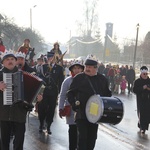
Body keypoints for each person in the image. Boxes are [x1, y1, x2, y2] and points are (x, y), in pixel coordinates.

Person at [67, 54, 112, 150]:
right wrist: (74, 104)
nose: (87, 69)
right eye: (86, 66)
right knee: (82, 139)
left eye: (90, 67)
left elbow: (108, 96)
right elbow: (70, 93)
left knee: (91, 141)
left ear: (96, 68)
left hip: (95, 115)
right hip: (81, 114)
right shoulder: (79, 78)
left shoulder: (102, 79)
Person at [0, 51, 29, 150]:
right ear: (3, 62)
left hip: (19, 113)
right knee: (4, 142)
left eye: (12, 59)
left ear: (16, 62)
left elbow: (33, 92)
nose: (10, 61)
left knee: (19, 142)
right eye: (7, 59)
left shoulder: (24, 75)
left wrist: (38, 98)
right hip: (4, 114)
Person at [59, 60, 84, 150]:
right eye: (75, 68)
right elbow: (62, 95)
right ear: (72, 70)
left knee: (81, 132)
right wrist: (61, 108)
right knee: (72, 130)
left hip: (83, 110)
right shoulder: (67, 81)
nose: (77, 70)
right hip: (71, 108)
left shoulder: (85, 80)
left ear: (82, 69)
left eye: (79, 68)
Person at [37, 51, 64, 134]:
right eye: (48, 58)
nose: (50, 59)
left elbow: (61, 82)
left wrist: (59, 93)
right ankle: (41, 124)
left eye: (51, 58)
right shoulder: (43, 67)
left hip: (53, 92)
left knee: (51, 110)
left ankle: (49, 126)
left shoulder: (59, 68)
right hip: (44, 92)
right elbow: (39, 78)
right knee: (42, 109)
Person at [133, 66, 150, 134]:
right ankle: (142, 127)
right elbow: (134, 90)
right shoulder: (137, 81)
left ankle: (144, 126)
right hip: (141, 100)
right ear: (141, 74)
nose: (145, 75)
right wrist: (142, 88)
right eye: (144, 74)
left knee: (147, 114)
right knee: (142, 114)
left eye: (146, 74)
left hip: (148, 100)